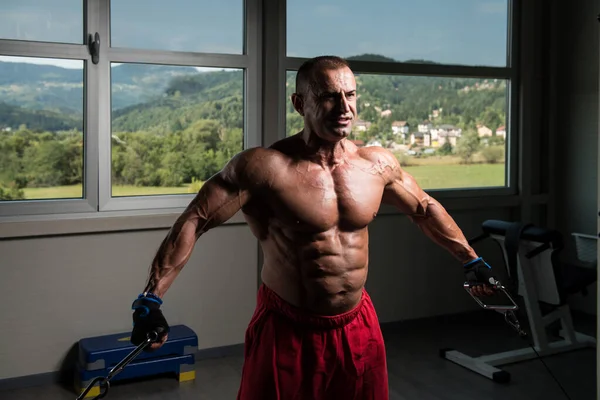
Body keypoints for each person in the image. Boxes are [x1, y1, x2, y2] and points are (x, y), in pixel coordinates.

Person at [130, 55, 498, 400]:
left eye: (350, 95)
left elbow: (424, 207)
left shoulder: (376, 164)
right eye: (327, 97)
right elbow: (196, 219)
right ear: (299, 103)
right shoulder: (264, 168)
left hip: (357, 324)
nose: (344, 108)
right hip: (288, 327)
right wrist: (151, 298)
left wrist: (470, 259)